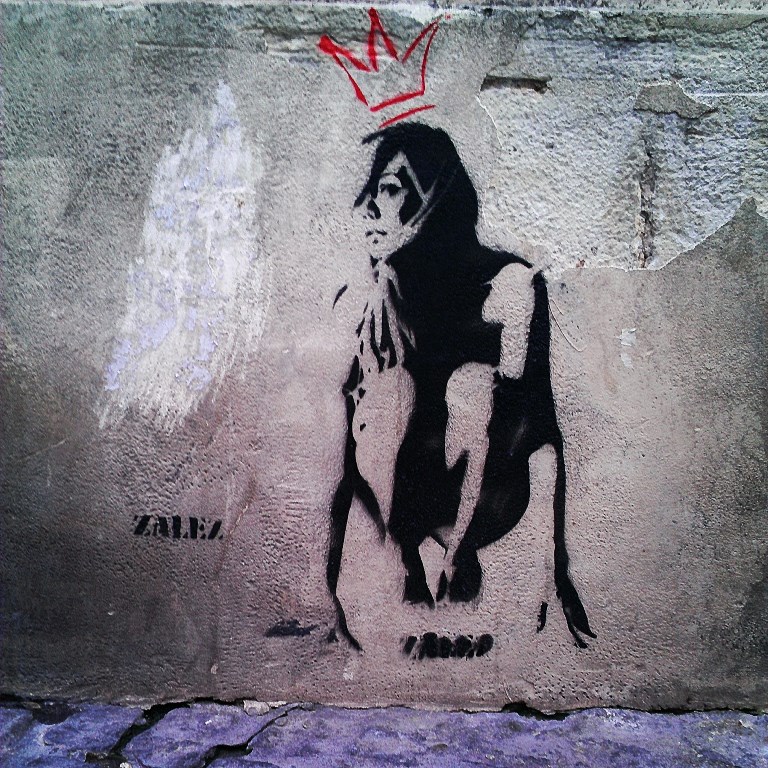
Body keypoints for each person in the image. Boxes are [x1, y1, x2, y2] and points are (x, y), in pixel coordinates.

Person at [327, 122, 595, 650]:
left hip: (492, 493)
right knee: (384, 391)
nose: (370, 207)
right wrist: (329, 587)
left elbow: (539, 424)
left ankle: (455, 563)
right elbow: (351, 445)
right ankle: (405, 564)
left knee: (474, 386)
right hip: (409, 502)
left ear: (435, 194)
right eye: (372, 189)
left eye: (390, 188)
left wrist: (557, 567)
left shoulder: (508, 283)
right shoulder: (377, 296)